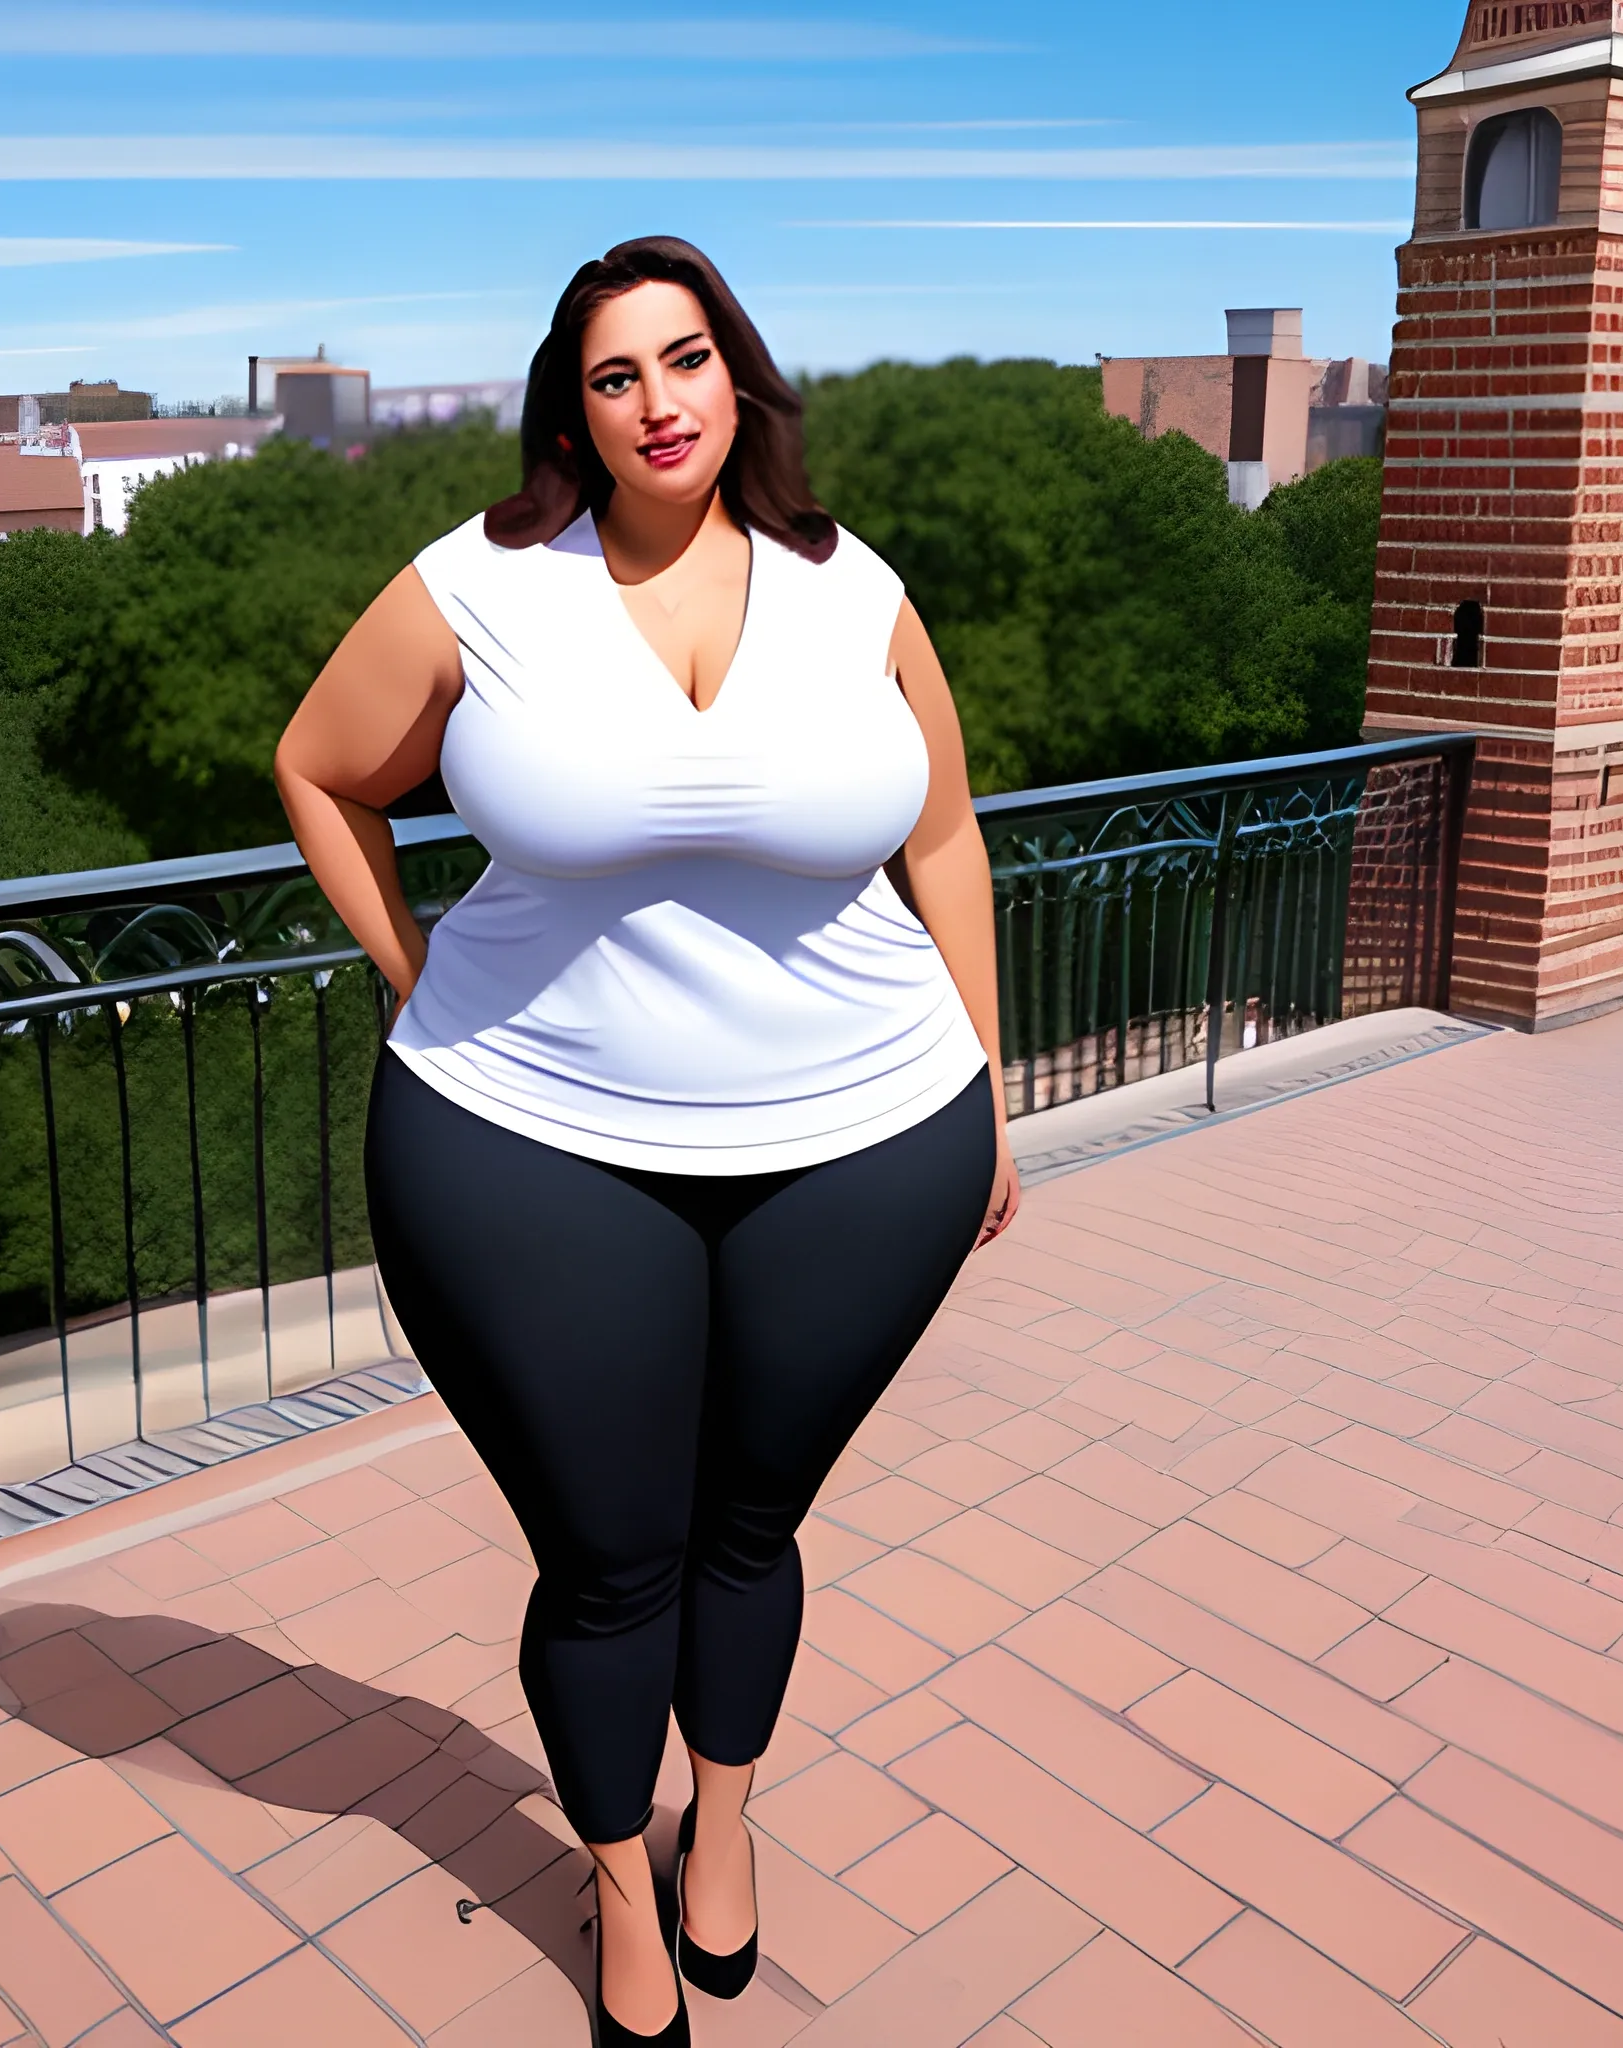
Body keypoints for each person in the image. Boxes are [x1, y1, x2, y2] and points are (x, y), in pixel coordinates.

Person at [274, 235, 1020, 2046]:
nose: (658, 402)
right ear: (576, 412)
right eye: (617, 377)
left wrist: (990, 1089)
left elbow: (944, 844)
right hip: (529, 1148)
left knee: (749, 1530)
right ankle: (618, 1873)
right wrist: (412, 963)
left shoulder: (856, 592)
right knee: (614, 1558)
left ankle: (727, 1823)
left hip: (862, 1145)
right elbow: (319, 766)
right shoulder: (481, 588)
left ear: (737, 376)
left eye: (684, 361)